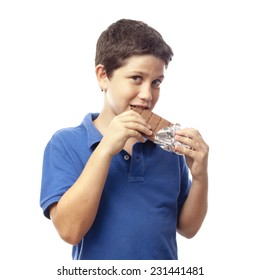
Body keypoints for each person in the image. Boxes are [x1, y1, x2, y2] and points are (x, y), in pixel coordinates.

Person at [40, 19, 209, 260]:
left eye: (156, 82)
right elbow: (70, 231)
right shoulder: (66, 144)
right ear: (103, 76)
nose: (147, 95)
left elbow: (187, 228)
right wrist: (105, 150)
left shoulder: (168, 149)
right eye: (136, 78)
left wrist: (200, 177)